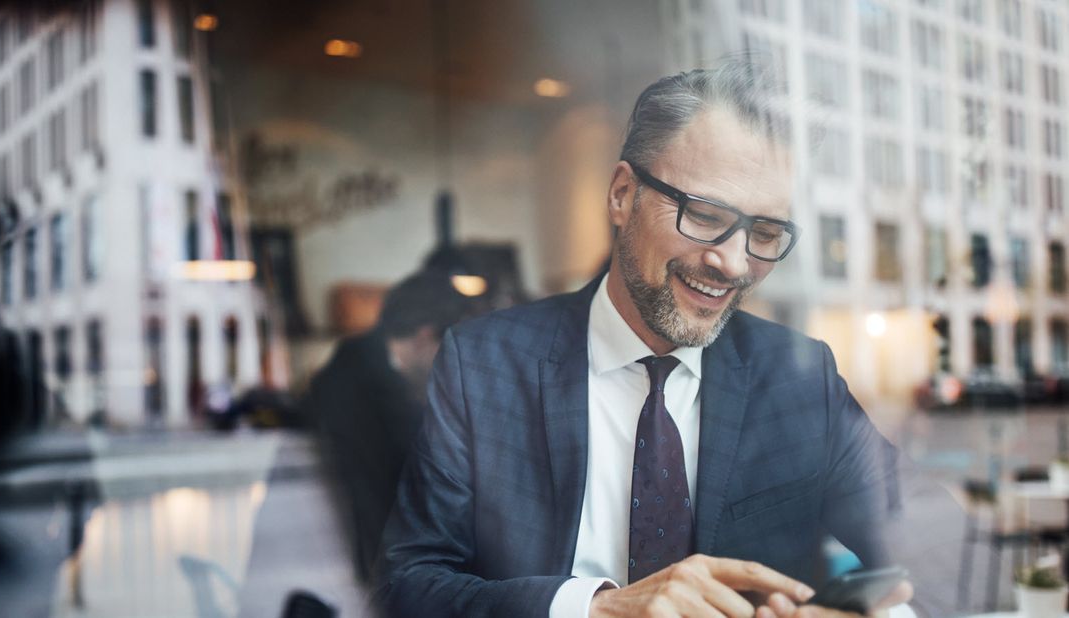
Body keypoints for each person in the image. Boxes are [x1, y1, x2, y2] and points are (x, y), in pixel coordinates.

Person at [381, 62, 959, 617]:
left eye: (764, 232)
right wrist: (596, 609)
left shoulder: (800, 376)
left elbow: (925, 539)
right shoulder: (482, 363)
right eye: (705, 215)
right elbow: (410, 584)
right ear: (622, 195)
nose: (733, 264)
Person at [304, 269, 473, 585]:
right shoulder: (374, 394)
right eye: (452, 351)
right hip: (366, 572)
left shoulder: (353, 365)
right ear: (425, 337)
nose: (456, 367)